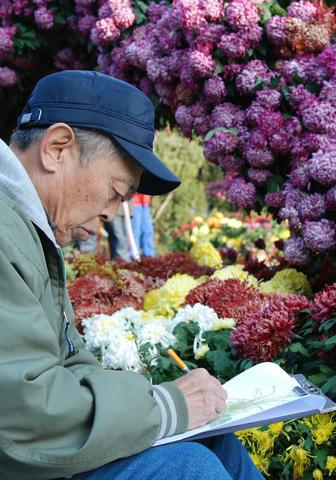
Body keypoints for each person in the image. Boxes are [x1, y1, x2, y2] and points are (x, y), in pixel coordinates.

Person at [0, 70, 264, 480]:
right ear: (57, 149)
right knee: (186, 469)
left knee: (210, 440)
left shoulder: (25, 225)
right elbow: (20, 414)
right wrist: (164, 406)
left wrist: (165, 406)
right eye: (115, 191)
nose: (111, 214)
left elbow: (69, 366)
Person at [132, 192, 156, 257]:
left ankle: (150, 258)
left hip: (145, 203)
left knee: (148, 232)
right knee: (135, 233)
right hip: (134, 202)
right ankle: (133, 258)